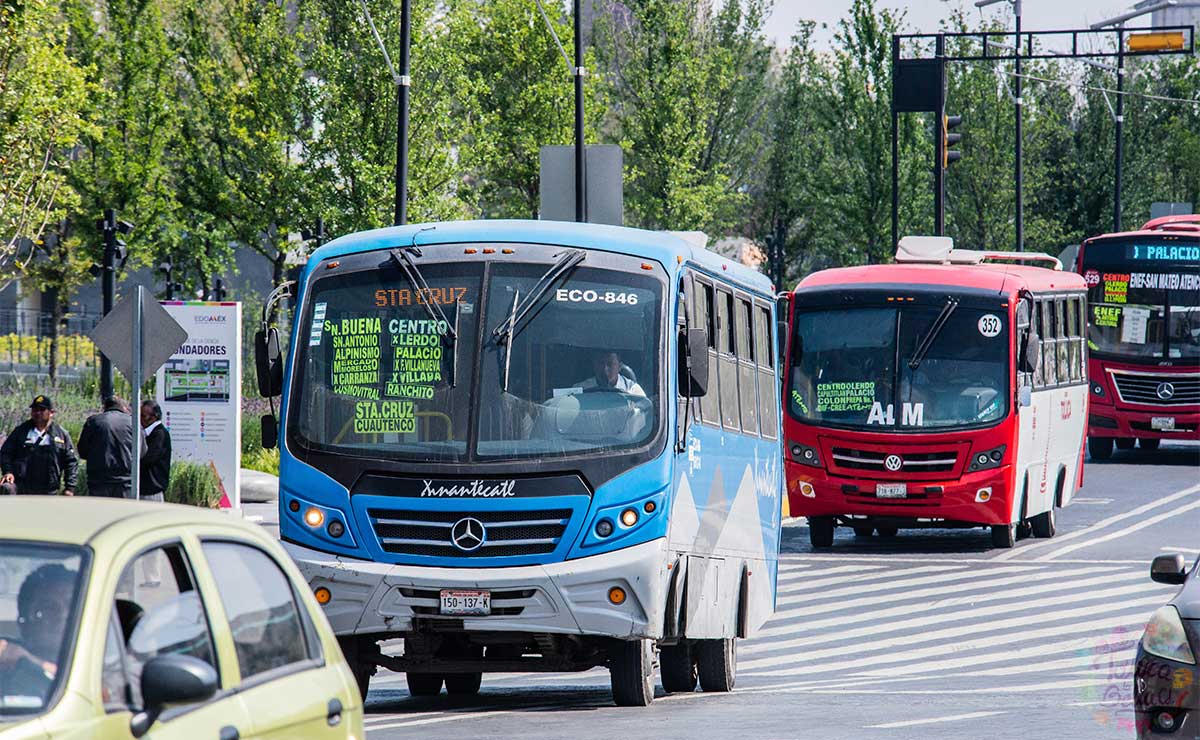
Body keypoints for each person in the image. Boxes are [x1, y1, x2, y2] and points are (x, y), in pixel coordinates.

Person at [0, 564, 77, 696]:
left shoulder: (103, 662)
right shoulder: (7, 664)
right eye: (48, 609)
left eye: (72, 607)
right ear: (24, 623)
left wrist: (33, 663)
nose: (62, 616)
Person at [0, 395, 78, 496]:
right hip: (22, 487)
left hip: (49, 489)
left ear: (51, 413)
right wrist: (8, 472)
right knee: (6, 489)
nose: (38, 413)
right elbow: (5, 453)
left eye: (42, 410)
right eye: (35, 410)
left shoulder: (61, 434)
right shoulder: (21, 432)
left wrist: (70, 488)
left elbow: (71, 462)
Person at [77, 396, 146, 499]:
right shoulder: (133, 422)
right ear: (123, 407)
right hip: (125, 481)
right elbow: (142, 452)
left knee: (100, 513)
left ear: (104, 407)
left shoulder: (93, 422)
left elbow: (82, 451)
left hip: (98, 480)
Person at [139, 401, 171, 503]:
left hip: (151, 490)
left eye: (142, 415)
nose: (138, 418)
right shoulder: (147, 433)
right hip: (144, 488)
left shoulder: (159, 434)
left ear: (153, 417)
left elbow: (149, 458)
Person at [575, 351, 646, 396]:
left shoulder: (633, 391)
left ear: (619, 367)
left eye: (610, 364)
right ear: (594, 365)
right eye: (601, 363)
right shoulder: (581, 390)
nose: (605, 369)